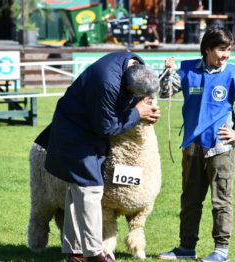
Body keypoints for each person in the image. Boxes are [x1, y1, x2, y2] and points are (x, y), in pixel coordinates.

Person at [39, 51, 160, 262]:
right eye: (132, 94)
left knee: (77, 191)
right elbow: (106, 126)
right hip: (75, 133)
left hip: (89, 130)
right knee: (90, 189)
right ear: (127, 85)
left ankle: (75, 253)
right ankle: (95, 253)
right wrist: (137, 113)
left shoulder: (136, 65)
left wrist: (147, 109)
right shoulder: (107, 83)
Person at [158, 27, 235, 262]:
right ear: (207, 49)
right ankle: (186, 248)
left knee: (221, 201)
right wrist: (167, 72)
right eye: (222, 49)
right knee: (190, 201)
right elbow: (164, 93)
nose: (226, 55)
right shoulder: (187, 69)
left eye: (229, 50)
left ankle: (221, 251)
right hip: (192, 147)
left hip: (220, 149)